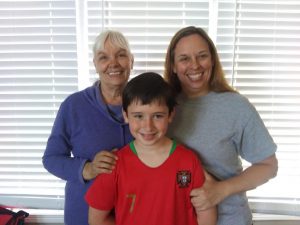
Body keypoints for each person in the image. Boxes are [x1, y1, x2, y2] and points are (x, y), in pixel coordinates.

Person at [163, 26, 278, 225]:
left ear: (213, 60)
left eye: (202, 56)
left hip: (230, 219)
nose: (195, 65)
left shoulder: (236, 106)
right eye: (184, 59)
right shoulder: (161, 108)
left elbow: (269, 166)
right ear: (173, 65)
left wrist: (220, 190)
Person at [85, 72, 217, 225]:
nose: (148, 126)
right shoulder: (115, 165)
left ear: (171, 114)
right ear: (126, 115)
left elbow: (206, 214)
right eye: (139, 116)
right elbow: (96, 219)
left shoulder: (188, 160)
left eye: (158, 116)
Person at [42, 30, 134, 225]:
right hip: (83, 214)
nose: (113, 63)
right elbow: (51, 159)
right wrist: (87, 168)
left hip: (135, 213)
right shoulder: (74, 106)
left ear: (131, 61)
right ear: (95, 64)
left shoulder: (147, 103)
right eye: (104, 57)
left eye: (121, 55)